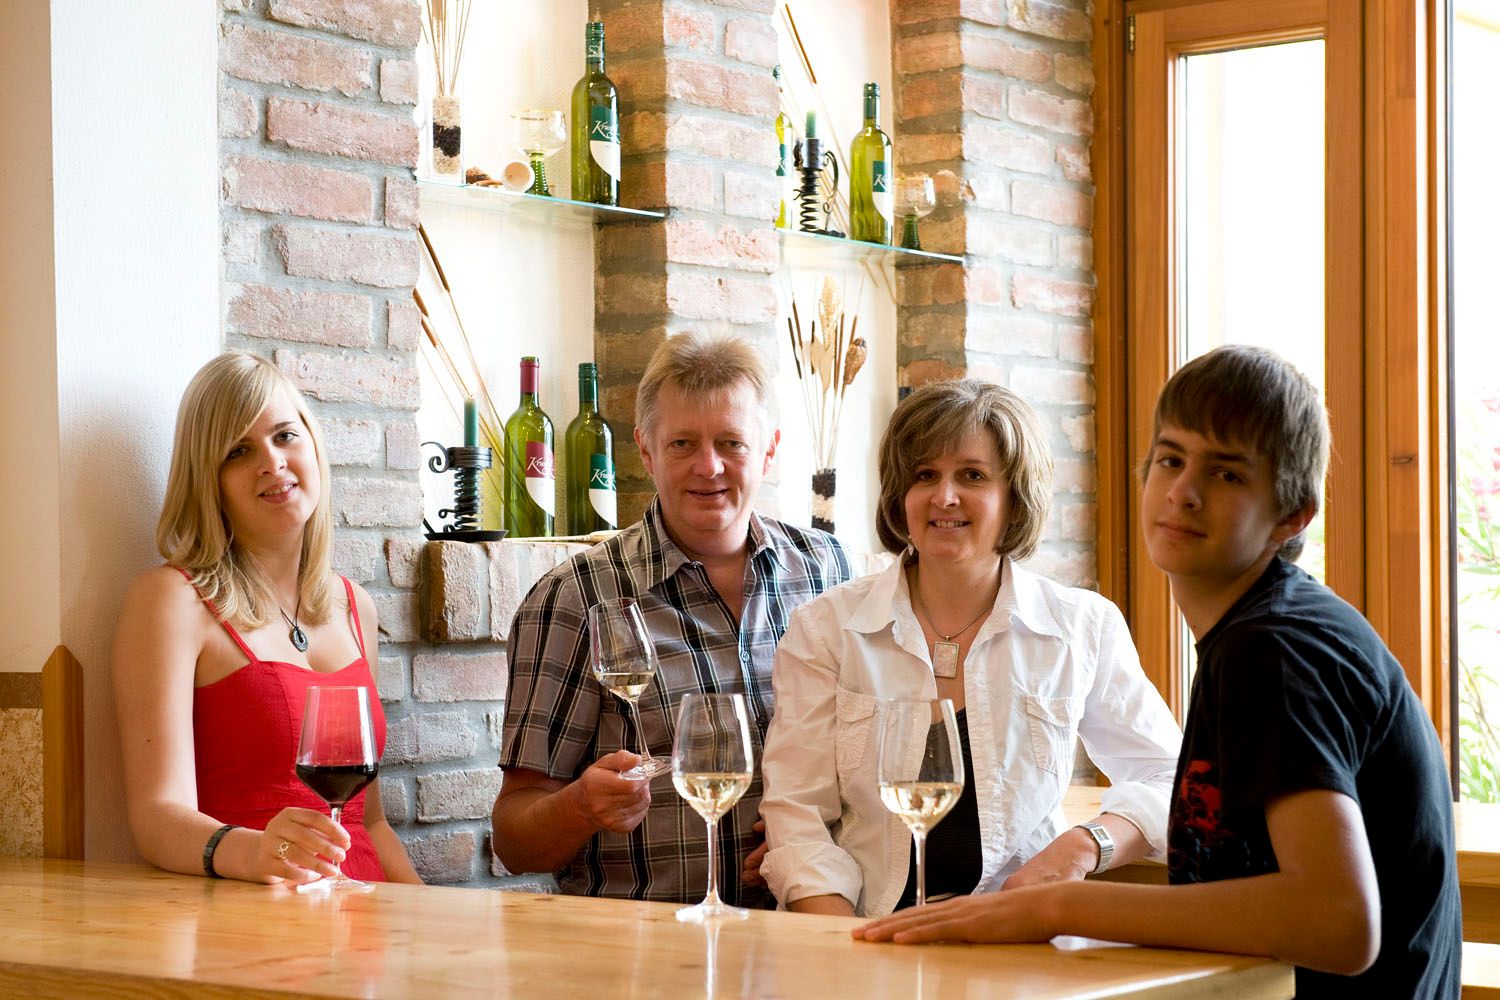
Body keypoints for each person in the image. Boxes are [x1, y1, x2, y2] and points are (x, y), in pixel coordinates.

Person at [855, 347, 1461, 996]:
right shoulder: (1254, 632)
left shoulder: (1275, 650)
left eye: (1226, 474)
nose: (1183, 493)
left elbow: (1338, 922)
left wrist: (1057, 903)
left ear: (1293, 516)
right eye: (1171, 459)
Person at [758, 379, 1181, 917]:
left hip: (1021, 935)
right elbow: (797, 815)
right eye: (924, 475)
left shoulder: (1082, 627)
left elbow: (1170, 778)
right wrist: (847, 945)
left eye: (972, 475)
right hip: (862, 929)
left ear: (1015, 497)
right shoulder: (826, 629)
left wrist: (1082, 847)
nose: (944, 497)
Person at [492, 330, 852, 903]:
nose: (708, 466)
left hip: (807, 929)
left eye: (731, 443)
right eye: (683, 443)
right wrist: (580, 806)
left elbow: (866, 762)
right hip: (644, 942)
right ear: (646, 451)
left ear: (769, 450)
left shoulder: (828, 571)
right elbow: (514, 842)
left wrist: (807, 844)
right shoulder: (572, 599)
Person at [112, 352, 420, 886]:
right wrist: (259, 853)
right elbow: (157, 817)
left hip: (367, 906)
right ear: (208, 480)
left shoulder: (355, 607)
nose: (272, 462)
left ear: (313, 445)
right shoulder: (170, 600)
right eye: (239, 450)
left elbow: (370, 823)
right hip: (258, 909)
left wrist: (429, 912)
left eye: (284, 436)